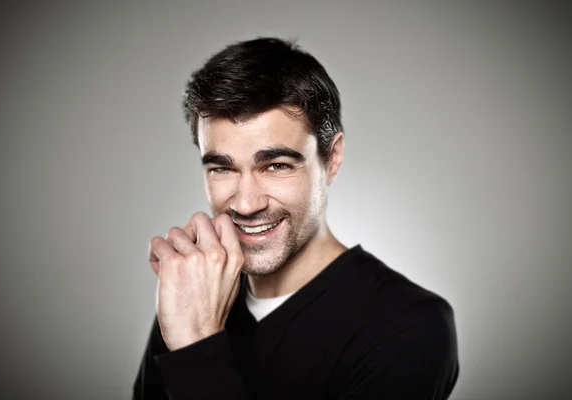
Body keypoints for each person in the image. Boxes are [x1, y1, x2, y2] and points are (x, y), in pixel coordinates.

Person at [132, 37, 459, 399]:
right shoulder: (195, 293)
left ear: (331, 159)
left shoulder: (409, 325)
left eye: (275, 165)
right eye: (222, 169)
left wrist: (198, 345)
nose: (245, 203)